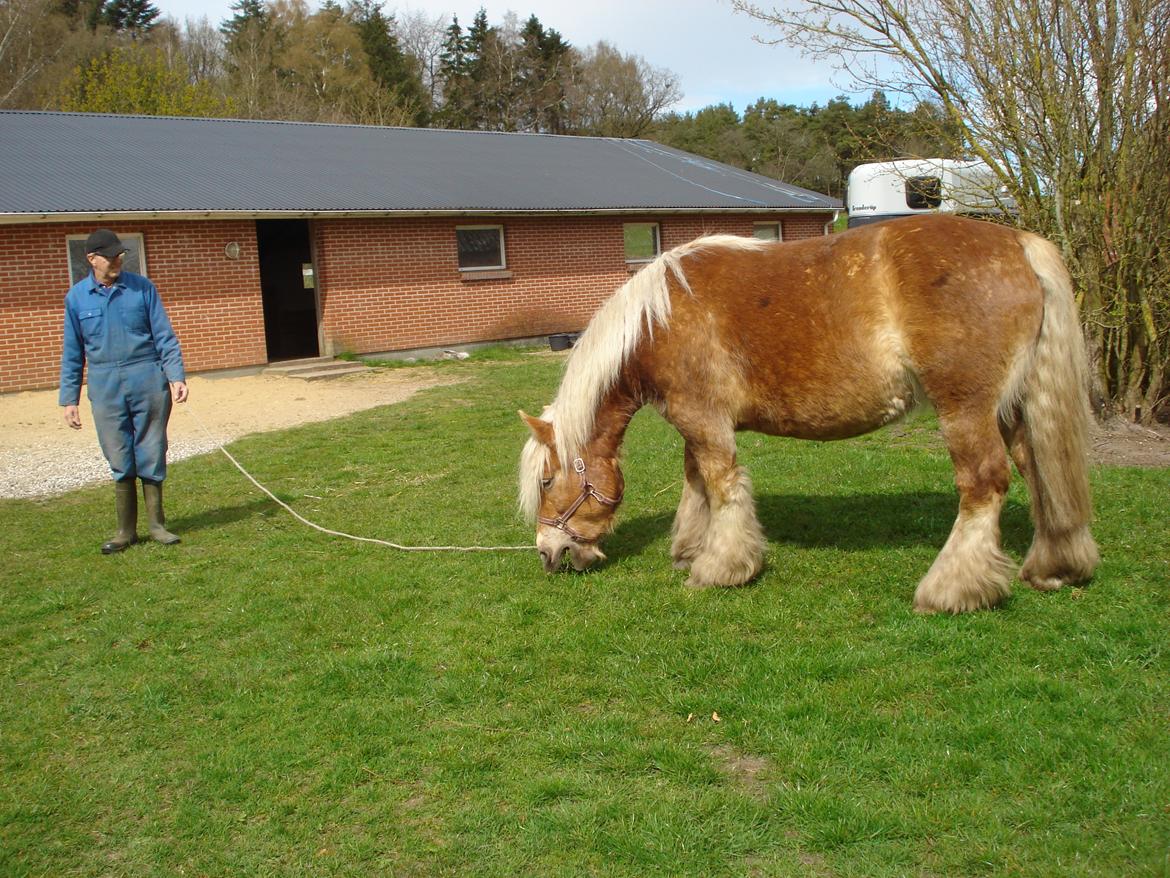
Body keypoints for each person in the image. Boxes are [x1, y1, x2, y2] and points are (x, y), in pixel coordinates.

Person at [59, 229, 189, 553]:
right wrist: (69, 398)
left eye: (120, 254)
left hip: (146, 376)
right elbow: (72, 353)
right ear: (92, 259)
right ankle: (125, 532)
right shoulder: (76, 299)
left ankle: (158, 526)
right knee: (118, 452)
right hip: (104, 383)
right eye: (111, 255)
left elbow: (164, 336)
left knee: (152, 447)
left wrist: (176, 376)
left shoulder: (142, 289)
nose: (118, 260)